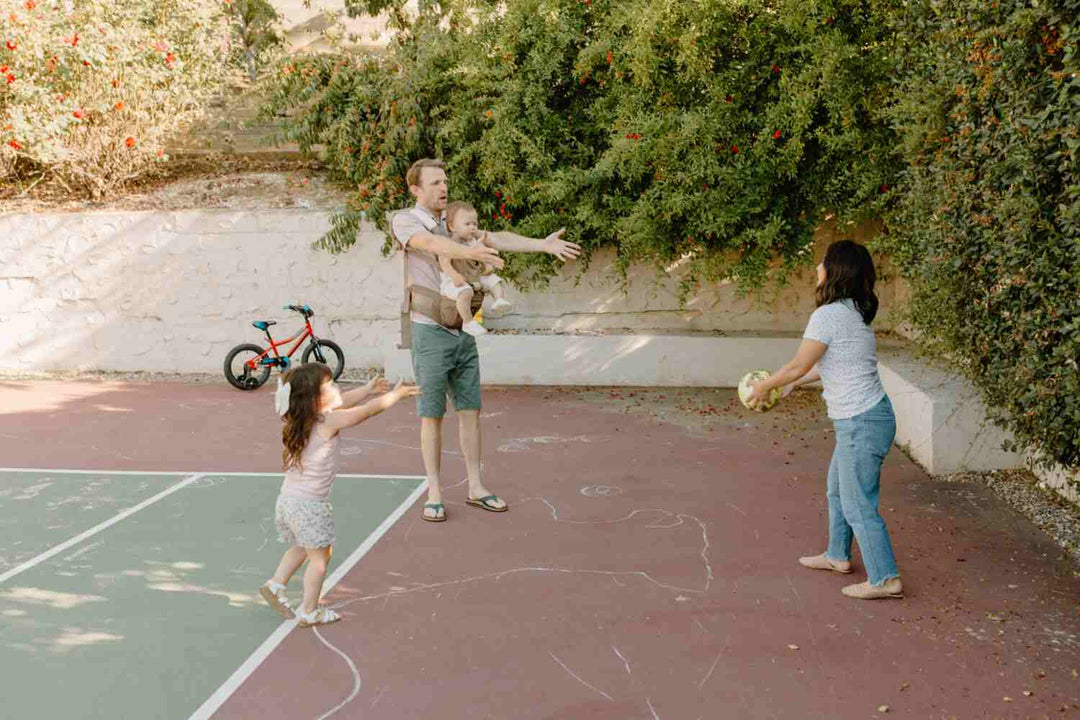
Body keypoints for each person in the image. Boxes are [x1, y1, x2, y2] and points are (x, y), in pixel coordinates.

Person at [390, 158, 581, 522]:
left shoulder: (455, 220)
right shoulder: (406, 220)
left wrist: (541, 244)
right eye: (434, 183)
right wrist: (471, 252)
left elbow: (496, 238)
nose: (443, 188)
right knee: (431, 415)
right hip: (428, 329)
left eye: (445, 181)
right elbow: (428, 243)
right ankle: (434, 492)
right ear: (415, 189)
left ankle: (476, 487)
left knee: (470, 411)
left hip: (463, 329)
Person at [747, 240, 903, 600]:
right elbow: (823, 367)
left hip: (862, 422)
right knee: (838, 490)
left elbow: (799, 364)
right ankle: (837, 556)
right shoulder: (849, 311)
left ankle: (886, 578)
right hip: (863, 419)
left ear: (835, 271)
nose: (817, 266)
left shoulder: (829, 315)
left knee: (857, 502)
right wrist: (788, 387)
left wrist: (764, 386)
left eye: (823, 261)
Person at [259, 363, 421, 626]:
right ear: (315, 399)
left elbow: (343, 401)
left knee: (304, 545)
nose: (337, 388)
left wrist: (367, 389)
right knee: (320, 558)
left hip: (288, 500)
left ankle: (276, 585)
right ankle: (310, 611)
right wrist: (395, 396)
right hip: (310, 506)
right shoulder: (327, 421)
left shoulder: (296, 418)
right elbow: (364, 412)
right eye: (331, 385)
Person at [438, 200, 513, 337]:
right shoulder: (448, 243)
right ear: (452, 226)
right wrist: (455, 276)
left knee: (493, 280)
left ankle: (499, 300)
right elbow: (444, 263)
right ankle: (468, 322)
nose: (473, 228)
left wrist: (487, 265)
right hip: (453, 282)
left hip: (473, 278)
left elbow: (482, 257)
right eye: (467, 224)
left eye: (475, 224)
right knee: (465, 292)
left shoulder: (472, 242)